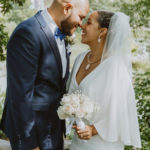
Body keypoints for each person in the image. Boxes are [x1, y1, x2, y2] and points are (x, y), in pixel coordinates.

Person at [0, 0, 89, 150]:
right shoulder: (28, 32)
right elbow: (20, 95)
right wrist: (30, 144)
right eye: (80, 17)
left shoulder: (62, 33)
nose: (81, 23)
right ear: (67, 8)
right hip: (33, 134)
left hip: (52, 130)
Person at [67, 11, 141, 150]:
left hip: (102, 143)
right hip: (78, 143)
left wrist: (94, 130)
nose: (81, 26)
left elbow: (122, 109)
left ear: (102, 31)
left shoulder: (115, 66)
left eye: (88, 23)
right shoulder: (80, 59)